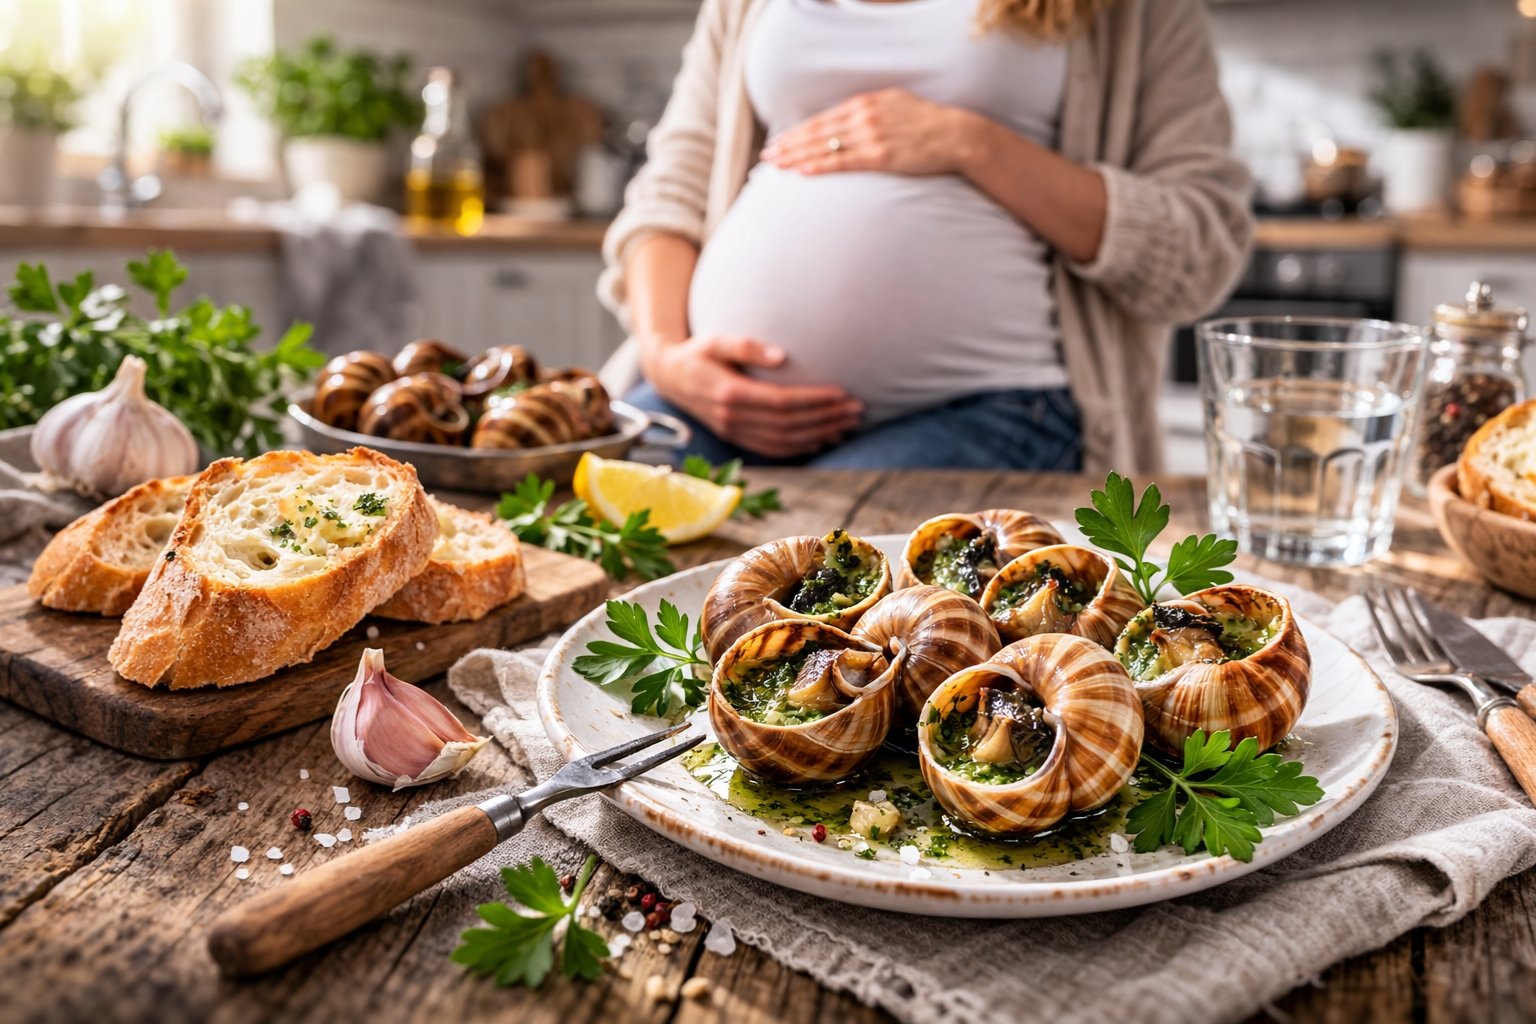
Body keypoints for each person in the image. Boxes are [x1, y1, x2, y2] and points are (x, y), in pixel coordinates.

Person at [597, 0, 1252, 472]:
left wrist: (970, 143)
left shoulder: (1130, 13)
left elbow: (1201, 246)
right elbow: (670, 192)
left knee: (827, 607)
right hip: (711, 398)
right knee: (574, 545)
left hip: (992, 406)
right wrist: (664, 355)